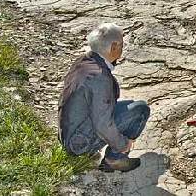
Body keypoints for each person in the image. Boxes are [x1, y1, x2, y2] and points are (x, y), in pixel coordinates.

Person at [58, 23, 150, 172]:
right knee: (140, 110)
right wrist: (122, 144)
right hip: (77, 142)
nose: (122, 49)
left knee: (132, 105)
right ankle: (115, 159)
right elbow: (102, 124)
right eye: (121, 45)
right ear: (113, 47)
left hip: (69, 133)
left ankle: (102, 152)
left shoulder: (84, 62)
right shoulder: (99, 76)